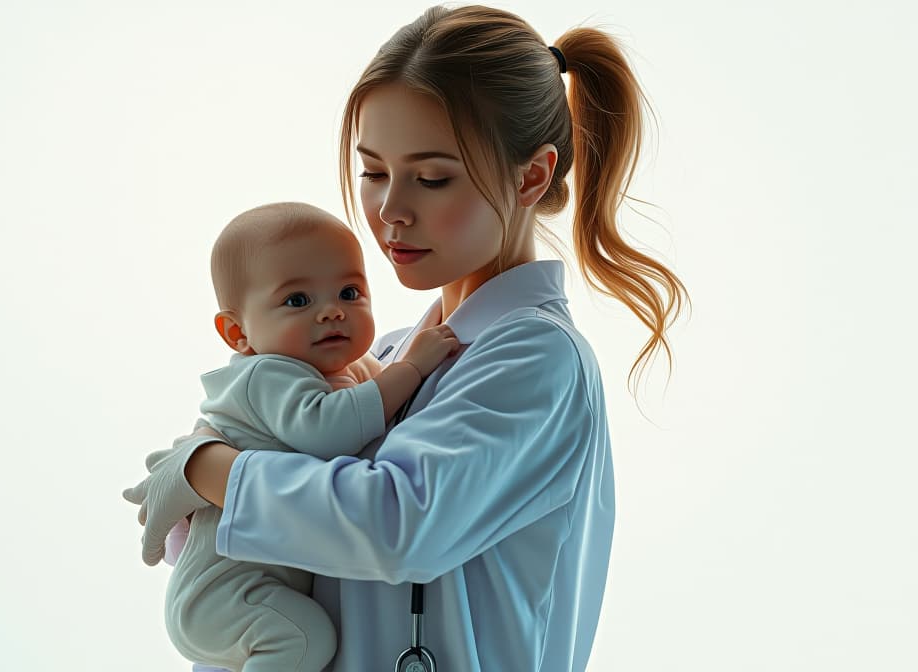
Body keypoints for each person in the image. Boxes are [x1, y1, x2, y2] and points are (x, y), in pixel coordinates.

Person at [124, 5, 689, 670]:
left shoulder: (535, 359)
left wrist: (206, 468)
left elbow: (397, 525)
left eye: (432, 177)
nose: (391, 210)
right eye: (373, 171)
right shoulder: (385, 356)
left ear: (531, 176)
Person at [159, 202, 459, 672]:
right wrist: (412, 368)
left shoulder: (350, 367)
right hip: (222, 594)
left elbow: (380, 407)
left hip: (257, 585)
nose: (332, 313)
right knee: (303, 641)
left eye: (349, 291)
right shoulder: (267, 374)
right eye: (299, 301)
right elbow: (330, 430)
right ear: (238, 332)